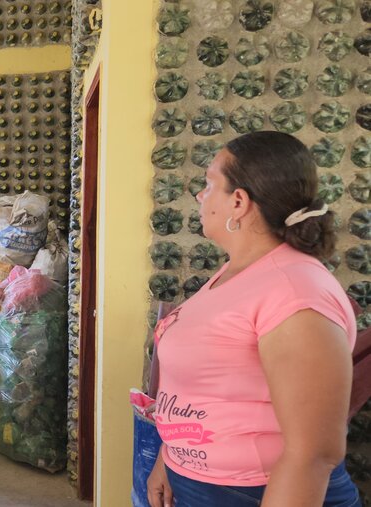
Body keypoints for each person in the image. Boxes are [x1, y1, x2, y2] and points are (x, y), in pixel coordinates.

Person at [146, 131, 361, 506]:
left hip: (255, 492)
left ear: (239, 201)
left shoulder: (294, 291)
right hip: (204, 483)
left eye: (210, 184)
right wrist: (172, 454)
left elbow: (313, 454)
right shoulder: (236, 272)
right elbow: (211, 385)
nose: (200, 195)